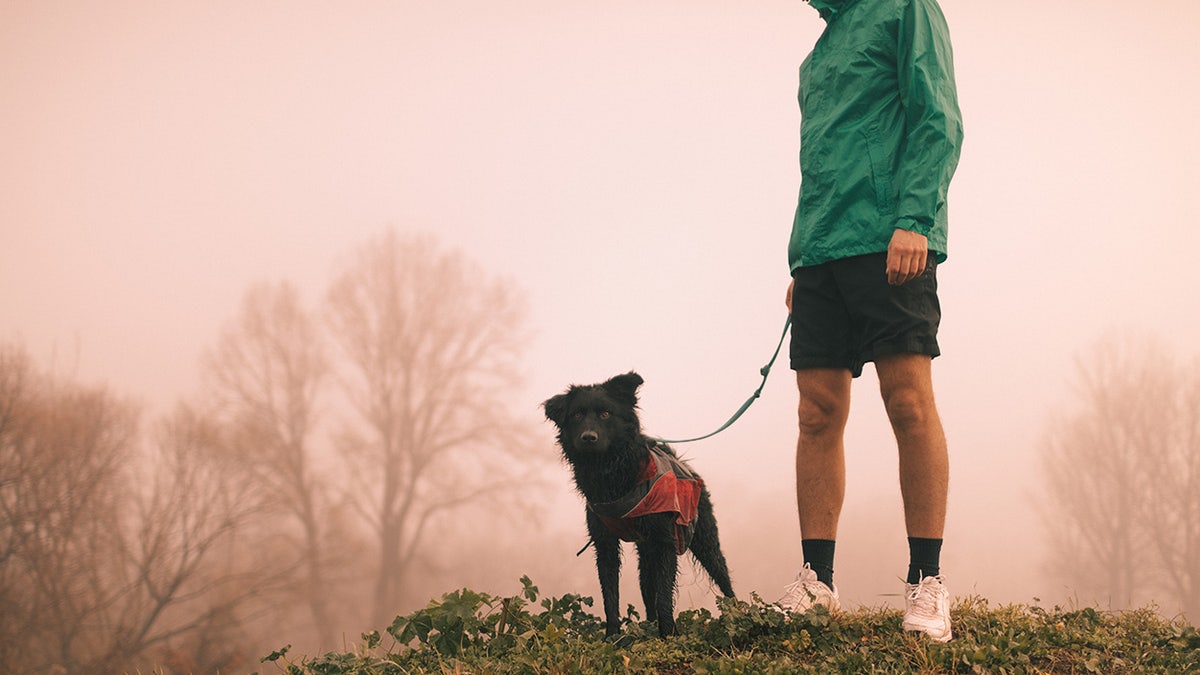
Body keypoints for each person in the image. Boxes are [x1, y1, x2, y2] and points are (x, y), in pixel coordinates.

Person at [776, 0, 963, 643]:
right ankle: (816, 583)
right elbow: (818, 168)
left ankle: (927, 584)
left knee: (908, 402)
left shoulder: (904, 8)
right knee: (816, 412)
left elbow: (936, 115)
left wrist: (917, 216)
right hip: (821, 254)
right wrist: (803, 261)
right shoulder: (818, 53)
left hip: (891, 240)